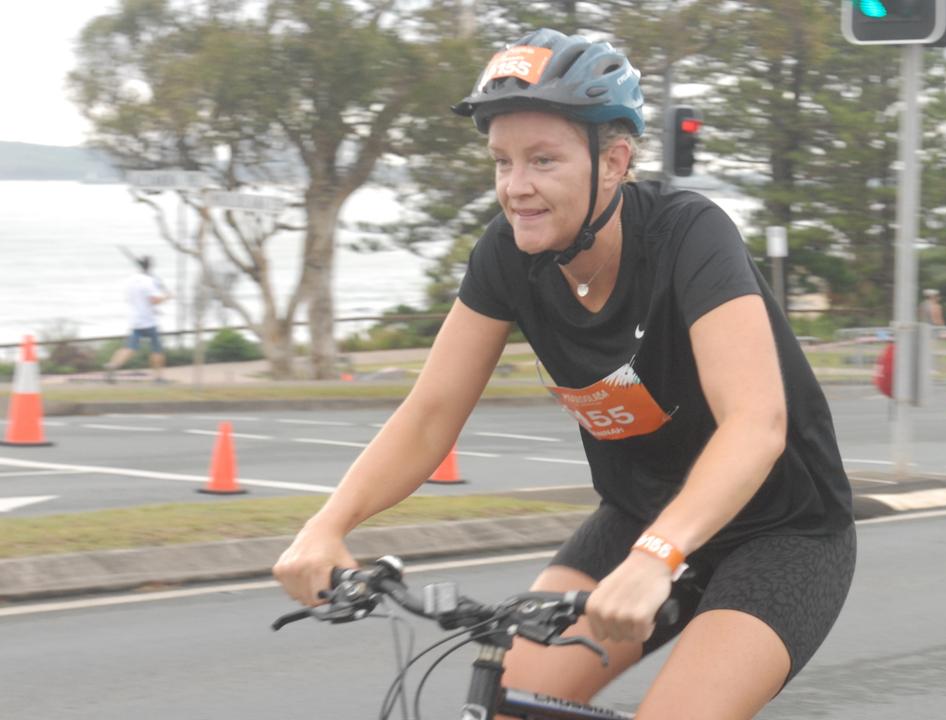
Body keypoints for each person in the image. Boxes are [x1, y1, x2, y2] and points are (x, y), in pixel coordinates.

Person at [272, 29, 855, 719]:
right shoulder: (506, 256)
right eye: (501, 162)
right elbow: (430, 414)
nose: (516, 188)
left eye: (543, 160)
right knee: (506, 702)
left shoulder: (688, 235)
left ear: (612, 162)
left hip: (780, 531)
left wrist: (656, 559)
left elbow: (755, 424)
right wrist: (327, 525)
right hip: (635, 520)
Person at [104, 255, 170, 383]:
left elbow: (129, 299)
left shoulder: (129, 281)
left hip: (135, 321)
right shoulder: (149, 281)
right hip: (149, 321)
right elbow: (154, 300)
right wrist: (166, 297)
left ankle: (112, 365)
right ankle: (158, 377)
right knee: (157, 350)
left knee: (129, 348)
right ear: (150, 266)